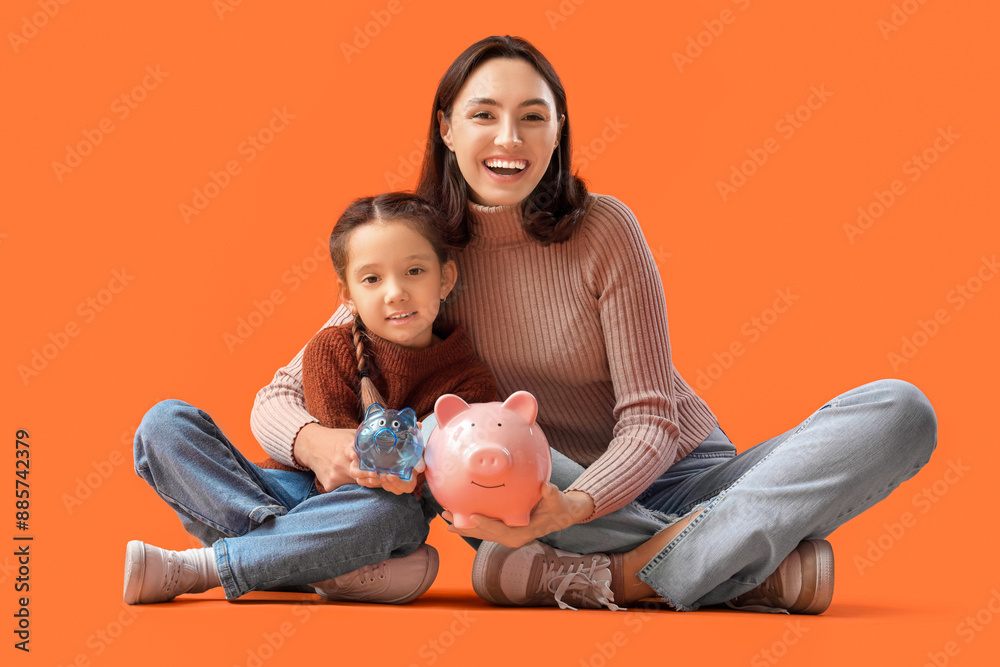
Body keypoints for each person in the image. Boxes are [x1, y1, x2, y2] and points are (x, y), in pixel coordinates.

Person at [252, 36, 938, 614]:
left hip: (670, 481)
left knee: (901, 411)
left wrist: (575, 507)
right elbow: (274, 401)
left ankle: (631, 574)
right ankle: (739, 559)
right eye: (484, 115)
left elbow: (652, 423)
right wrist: (318, 444)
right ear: (446, 128)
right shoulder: (417, 254)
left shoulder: (604, 228)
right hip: (535, 489)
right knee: (439, 433)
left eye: (533, 117)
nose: (509, 140)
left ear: (559, 131)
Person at [125, 192, 497, 605]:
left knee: (393, 513)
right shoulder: (332, 348)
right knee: (165, 423)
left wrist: (412, 477)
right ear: (347, 294)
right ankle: (318, 564)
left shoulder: (470, 385)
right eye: (372, 279)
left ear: (446, 278)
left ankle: (205, 567)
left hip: (368, 511)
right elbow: (329, 475)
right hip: (283, 494)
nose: (395, 293)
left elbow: (434, 484)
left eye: (414, 271)